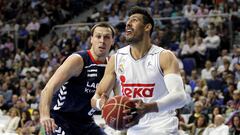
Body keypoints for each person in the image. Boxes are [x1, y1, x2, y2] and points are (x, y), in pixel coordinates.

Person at [91, 6, 187, 135]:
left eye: (134, 20)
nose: (128, 24)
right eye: (127, 21)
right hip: (133, 129)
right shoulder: (116, 59)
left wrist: (148, 108)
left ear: (147, 27)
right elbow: (96, 97)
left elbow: (180, 97)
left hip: (162, 127)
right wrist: (101, 104)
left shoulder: (164, 56)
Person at [39, 22, 115, 135]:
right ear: (91, 39)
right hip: (60, 119)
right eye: (98, 36)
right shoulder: (78, 60)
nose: (102, 40)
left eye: (107, 37)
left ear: (112, 41)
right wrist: (45, 116)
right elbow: (48, 89)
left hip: (86, 122)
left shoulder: (111, 65)